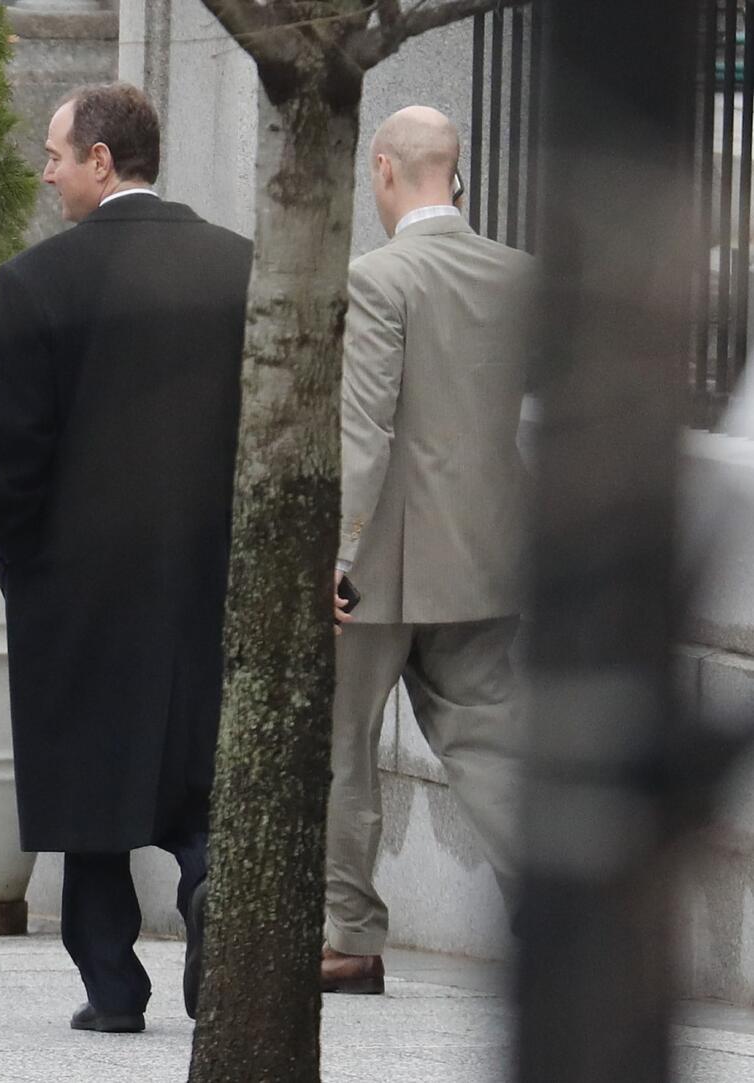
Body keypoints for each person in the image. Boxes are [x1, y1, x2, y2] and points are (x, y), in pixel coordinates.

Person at [0, 83, 251, 1033]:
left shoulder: (36, 282)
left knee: (89, 781)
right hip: (209, 569)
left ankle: (112, 986)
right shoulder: (239, 268)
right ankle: (210, 879)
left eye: (54, 154)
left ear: (101, 159)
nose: (45, 172)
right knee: (200, 760)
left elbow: (8, 451)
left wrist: (21, 561)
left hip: (76, 579)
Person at [323, 107, 534, 994]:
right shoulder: (519, 274)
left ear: (383, 170)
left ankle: (351, 935)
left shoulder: (377, 278)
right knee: (491, 743)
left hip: (378, 569)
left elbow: (364, 430)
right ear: (455, 172)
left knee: (344, 746)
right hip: (485, 553)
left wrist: (338, 554)